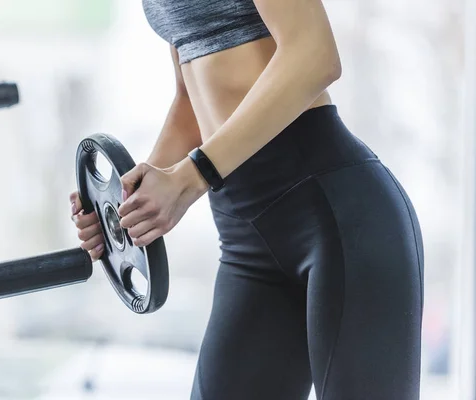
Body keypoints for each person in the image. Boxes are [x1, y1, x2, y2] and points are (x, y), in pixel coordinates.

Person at [70, 0, 424, 399]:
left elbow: (314, 54)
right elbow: (191, 102)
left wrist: (192, 176)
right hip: (247, 240)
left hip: (337, 220)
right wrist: (129, 204)